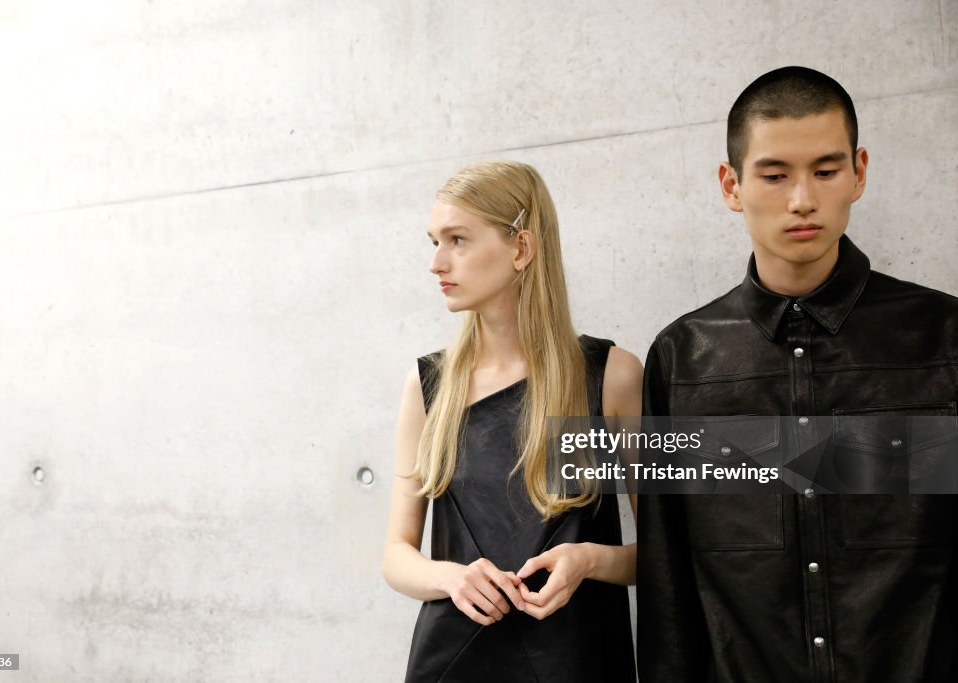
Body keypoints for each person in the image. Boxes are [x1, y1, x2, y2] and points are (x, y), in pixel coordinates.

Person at [636, 66, 958, 682]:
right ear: (731, 185)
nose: (802, 199)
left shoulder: (941, 339)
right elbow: (666, 578)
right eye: (775, 175)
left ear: (859, 172)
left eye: (826, 171)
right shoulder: (683, 360)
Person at [382, 160, 640, 682]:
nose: (436, 262)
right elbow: (396, 555)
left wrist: (589, 559)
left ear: (521, 248)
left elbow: (666, 554)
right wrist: (452, 578)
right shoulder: (428, 388)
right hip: (453, 662)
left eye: (457, 240)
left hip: (578, 660)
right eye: (434, 240)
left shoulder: (611, 376)